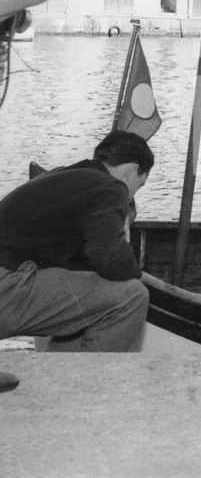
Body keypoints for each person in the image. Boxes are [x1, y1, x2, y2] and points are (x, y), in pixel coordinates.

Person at [0, 131, 153, 352]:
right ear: (132, 170)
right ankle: (93, 384)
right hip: (6, 288)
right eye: (139, 185)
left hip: (8, 280)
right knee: (131, 296)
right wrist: (137, 274)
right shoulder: (109, 186)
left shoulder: (62, 176)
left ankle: (62, 380)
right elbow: (110, 258)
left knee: (88, 298)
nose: (131, 197)